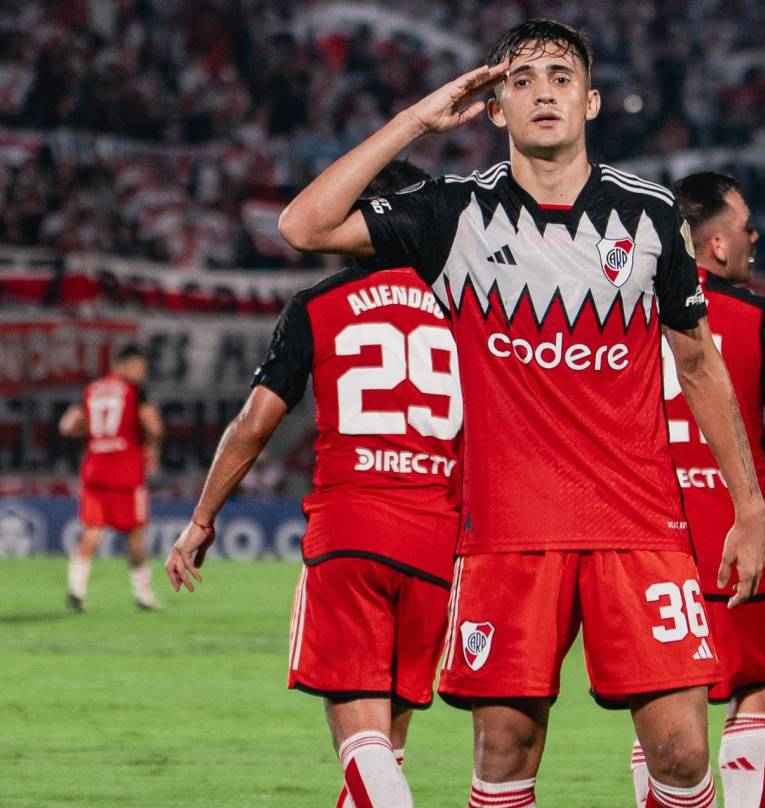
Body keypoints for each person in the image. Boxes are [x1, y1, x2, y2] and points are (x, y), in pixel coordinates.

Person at [277, 19, 765, 808]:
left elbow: (699, 361)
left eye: (562, 76)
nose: (544, 90)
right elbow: (302, 227)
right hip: (509, 532)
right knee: (504, 750)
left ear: (592, 101)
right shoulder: (450, 213)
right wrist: (415, 120)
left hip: (637, 526)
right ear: (494, 106)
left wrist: (748, 506)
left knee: (680, 752)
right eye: (523, 77)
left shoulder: (647, 215)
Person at [165, 162, 463, 808]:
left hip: (352, 535)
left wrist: (202, 519)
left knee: (363, 748)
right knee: (384, 752)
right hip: (437, 546)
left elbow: (252, 425)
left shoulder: (320, 305)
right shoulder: (467, 314)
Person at [630, 172, 765, 808]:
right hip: (738, 530)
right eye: (746, 227)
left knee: (659, 700)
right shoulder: (759, 317)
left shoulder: (628, 307)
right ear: (718, 247)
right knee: (752, 688)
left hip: (646, 534)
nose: (755, 238)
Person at [60, 344, 163, 612]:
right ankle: (143, 595)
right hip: (126, 471)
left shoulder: (90, 390)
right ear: (126, 365)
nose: (141, 372)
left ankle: (76, 591)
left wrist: (91, 434)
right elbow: (154, 425)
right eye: (139, 367)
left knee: (92, 533)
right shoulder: (135, 391)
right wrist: (151, 449)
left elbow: (67, 425)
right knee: (136, 538)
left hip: (94, 468)